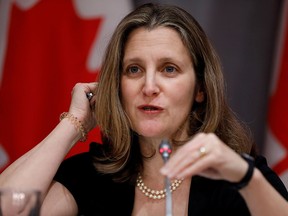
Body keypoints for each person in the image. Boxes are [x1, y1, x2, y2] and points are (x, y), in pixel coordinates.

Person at [0, 3, 287, 216]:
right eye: (134, 69)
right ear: (117, 85)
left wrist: (245, 177)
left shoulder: (239, 178)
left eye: (169, 69)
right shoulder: (95, 177)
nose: (149, 86)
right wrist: (74, 123)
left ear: (200, 89)